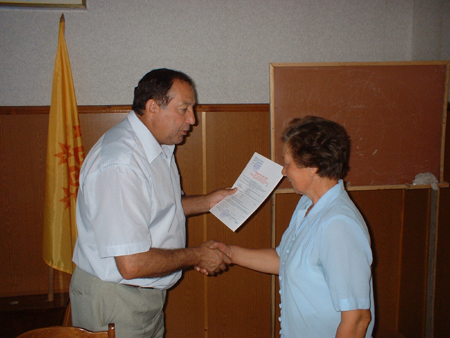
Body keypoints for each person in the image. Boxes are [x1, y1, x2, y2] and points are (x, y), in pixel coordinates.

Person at [70, 68, 235, 338]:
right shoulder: (121, 164)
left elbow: (159, 208)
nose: (192, 120)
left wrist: (209, 202)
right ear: (152, 108)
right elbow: (132, 263)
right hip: (116, 299)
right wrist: (198, 255)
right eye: (184, 109)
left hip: (140, 296)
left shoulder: (158, 147)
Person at [209, 116, 375, 337]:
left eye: (288, 163)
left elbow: (357, 319)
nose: (283, 171)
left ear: (312, 168)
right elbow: (285, 260)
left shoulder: (339, 226)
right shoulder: (307, 204)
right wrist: (230, 253)